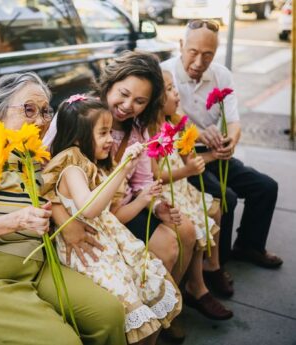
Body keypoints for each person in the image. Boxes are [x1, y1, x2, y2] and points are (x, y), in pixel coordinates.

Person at [0, 72, 127, 345]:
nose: (40, 120)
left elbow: (60, 196)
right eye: (29, 110)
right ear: (1, 112)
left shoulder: (36, 158)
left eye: (46, 111)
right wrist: (17, 220)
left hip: (35, 270)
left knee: (110, 314)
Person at [44, 52, 196, 286]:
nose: (127, 106)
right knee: (168, 246)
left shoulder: (137, 129)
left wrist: (156, 207)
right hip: (82, 211)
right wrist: (65, 220)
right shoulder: (77, 113)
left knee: (184, 231)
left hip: (119, 207)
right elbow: (43, 170)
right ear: (109, 84)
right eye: (123, 94)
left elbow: (142, 182)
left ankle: (179, 298)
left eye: (139, 101)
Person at [42, 96, 182, 345]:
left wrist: (139, 196)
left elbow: (107, 213)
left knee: (143, 295)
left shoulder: (88, 166)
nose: (110, 140)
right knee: (131, 306)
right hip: (89, 255)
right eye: (103, 133)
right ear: (77, 136)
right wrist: (123, 167)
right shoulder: (71, 167)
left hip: (108, 246)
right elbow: (90, 209)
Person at [161, 20, 283, 274]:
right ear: (181, 45)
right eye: (193, 52)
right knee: (224, 197)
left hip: (215, 153)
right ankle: (216, 265)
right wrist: (202, 137)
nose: (198, 62)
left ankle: (249, 245)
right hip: (185, 159)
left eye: (208, 55)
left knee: (266, 187)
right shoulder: (165, 75)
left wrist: (230, 141)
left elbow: (234, 121)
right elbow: (170, 123)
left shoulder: (221, 75)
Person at [149, 70, 233, 322]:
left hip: (183, 187)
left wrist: (205, 158)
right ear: (155, 98)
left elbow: (189, 156)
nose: (176, 93)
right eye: (170, 89)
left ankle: (212, 266)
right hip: (169, 192)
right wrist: (188, 169)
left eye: (175, 87)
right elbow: (156, 175)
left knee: (215, 209)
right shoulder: (151, 131)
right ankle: (197, 287)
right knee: (198, 222)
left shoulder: (174, 123)